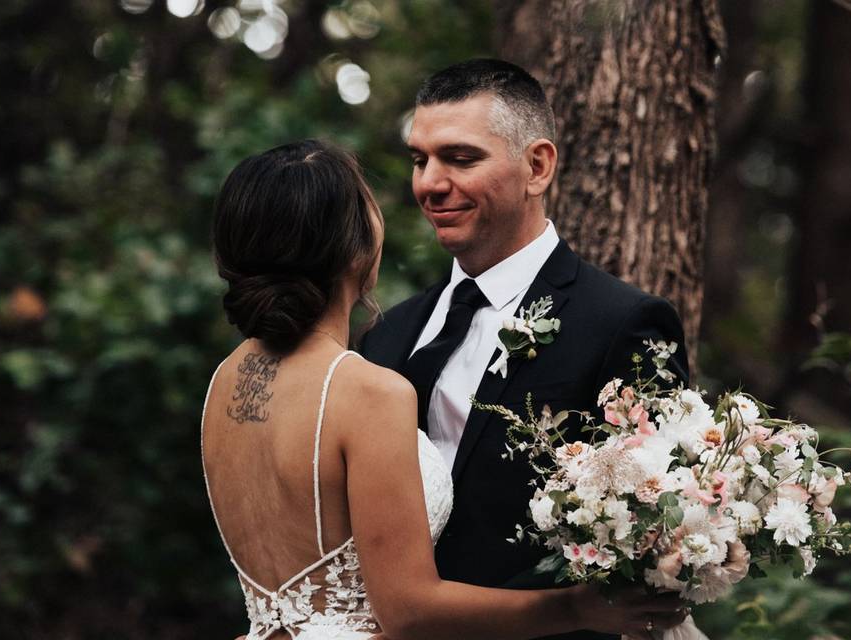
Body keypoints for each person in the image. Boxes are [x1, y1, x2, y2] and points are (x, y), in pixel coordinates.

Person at [203, 140, 687, 640]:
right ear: (354, 247)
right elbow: (409, 612)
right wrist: (577, 610)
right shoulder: (369, 391)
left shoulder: (224, 384)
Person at [359, 59, 691, 640]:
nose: (430, 184)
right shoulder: (388, 335)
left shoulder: (622, 323)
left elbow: (661, 533)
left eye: (460, 158)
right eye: (420, 159)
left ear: (537, 166)